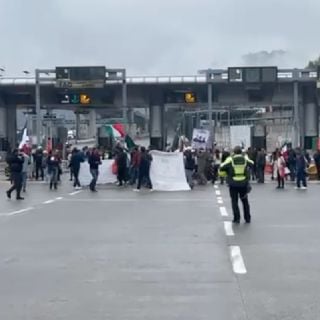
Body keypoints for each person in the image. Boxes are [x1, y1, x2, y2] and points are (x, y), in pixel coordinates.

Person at [219, 146, 254, 224]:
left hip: (233, 184)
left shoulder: (230, 159)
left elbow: (221, 167)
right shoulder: (244, 158)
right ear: (241, 152)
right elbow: (252, 163)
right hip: (243, 183)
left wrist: (227, 173)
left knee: (234, 201)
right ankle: (247, 218)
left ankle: (236, 218)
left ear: (234, 152)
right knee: (245, 201)